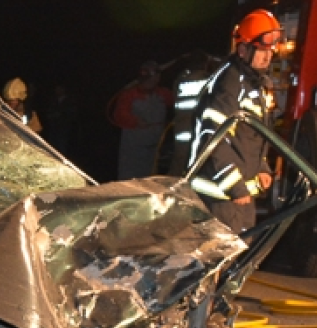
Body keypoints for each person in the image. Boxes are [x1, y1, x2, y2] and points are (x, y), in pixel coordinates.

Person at [188, 9, 280, 236]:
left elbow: (251, 136)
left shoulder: (252, 83)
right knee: (223, 255)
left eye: (270, 50)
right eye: (261, 50)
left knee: (241, 254)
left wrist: (262, 168)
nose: (267, 57)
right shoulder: (229, 84)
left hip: (237, 198)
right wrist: (235, 187)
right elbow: (213, 137)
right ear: (243, 50)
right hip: (220, 197)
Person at [112, 61, 174, 179]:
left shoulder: (163, 94)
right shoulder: (129, 95)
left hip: (155, 147)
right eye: (154, 75)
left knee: (151, 178)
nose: (156, 79)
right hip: (134, 148)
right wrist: (135, 121)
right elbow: (119, 115)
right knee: (129, 178)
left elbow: (177, 103)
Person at [44, 84, 79, 154]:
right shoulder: (53, 100)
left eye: (59, 89)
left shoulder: (69, 101)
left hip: (63, 127)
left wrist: (61, 114)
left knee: (62, 145)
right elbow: (49, 111)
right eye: (56, 89)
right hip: (54, 127)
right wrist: (51, 116)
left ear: (63, 89)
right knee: (51, 146)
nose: (57, 90)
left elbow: (72, 113)